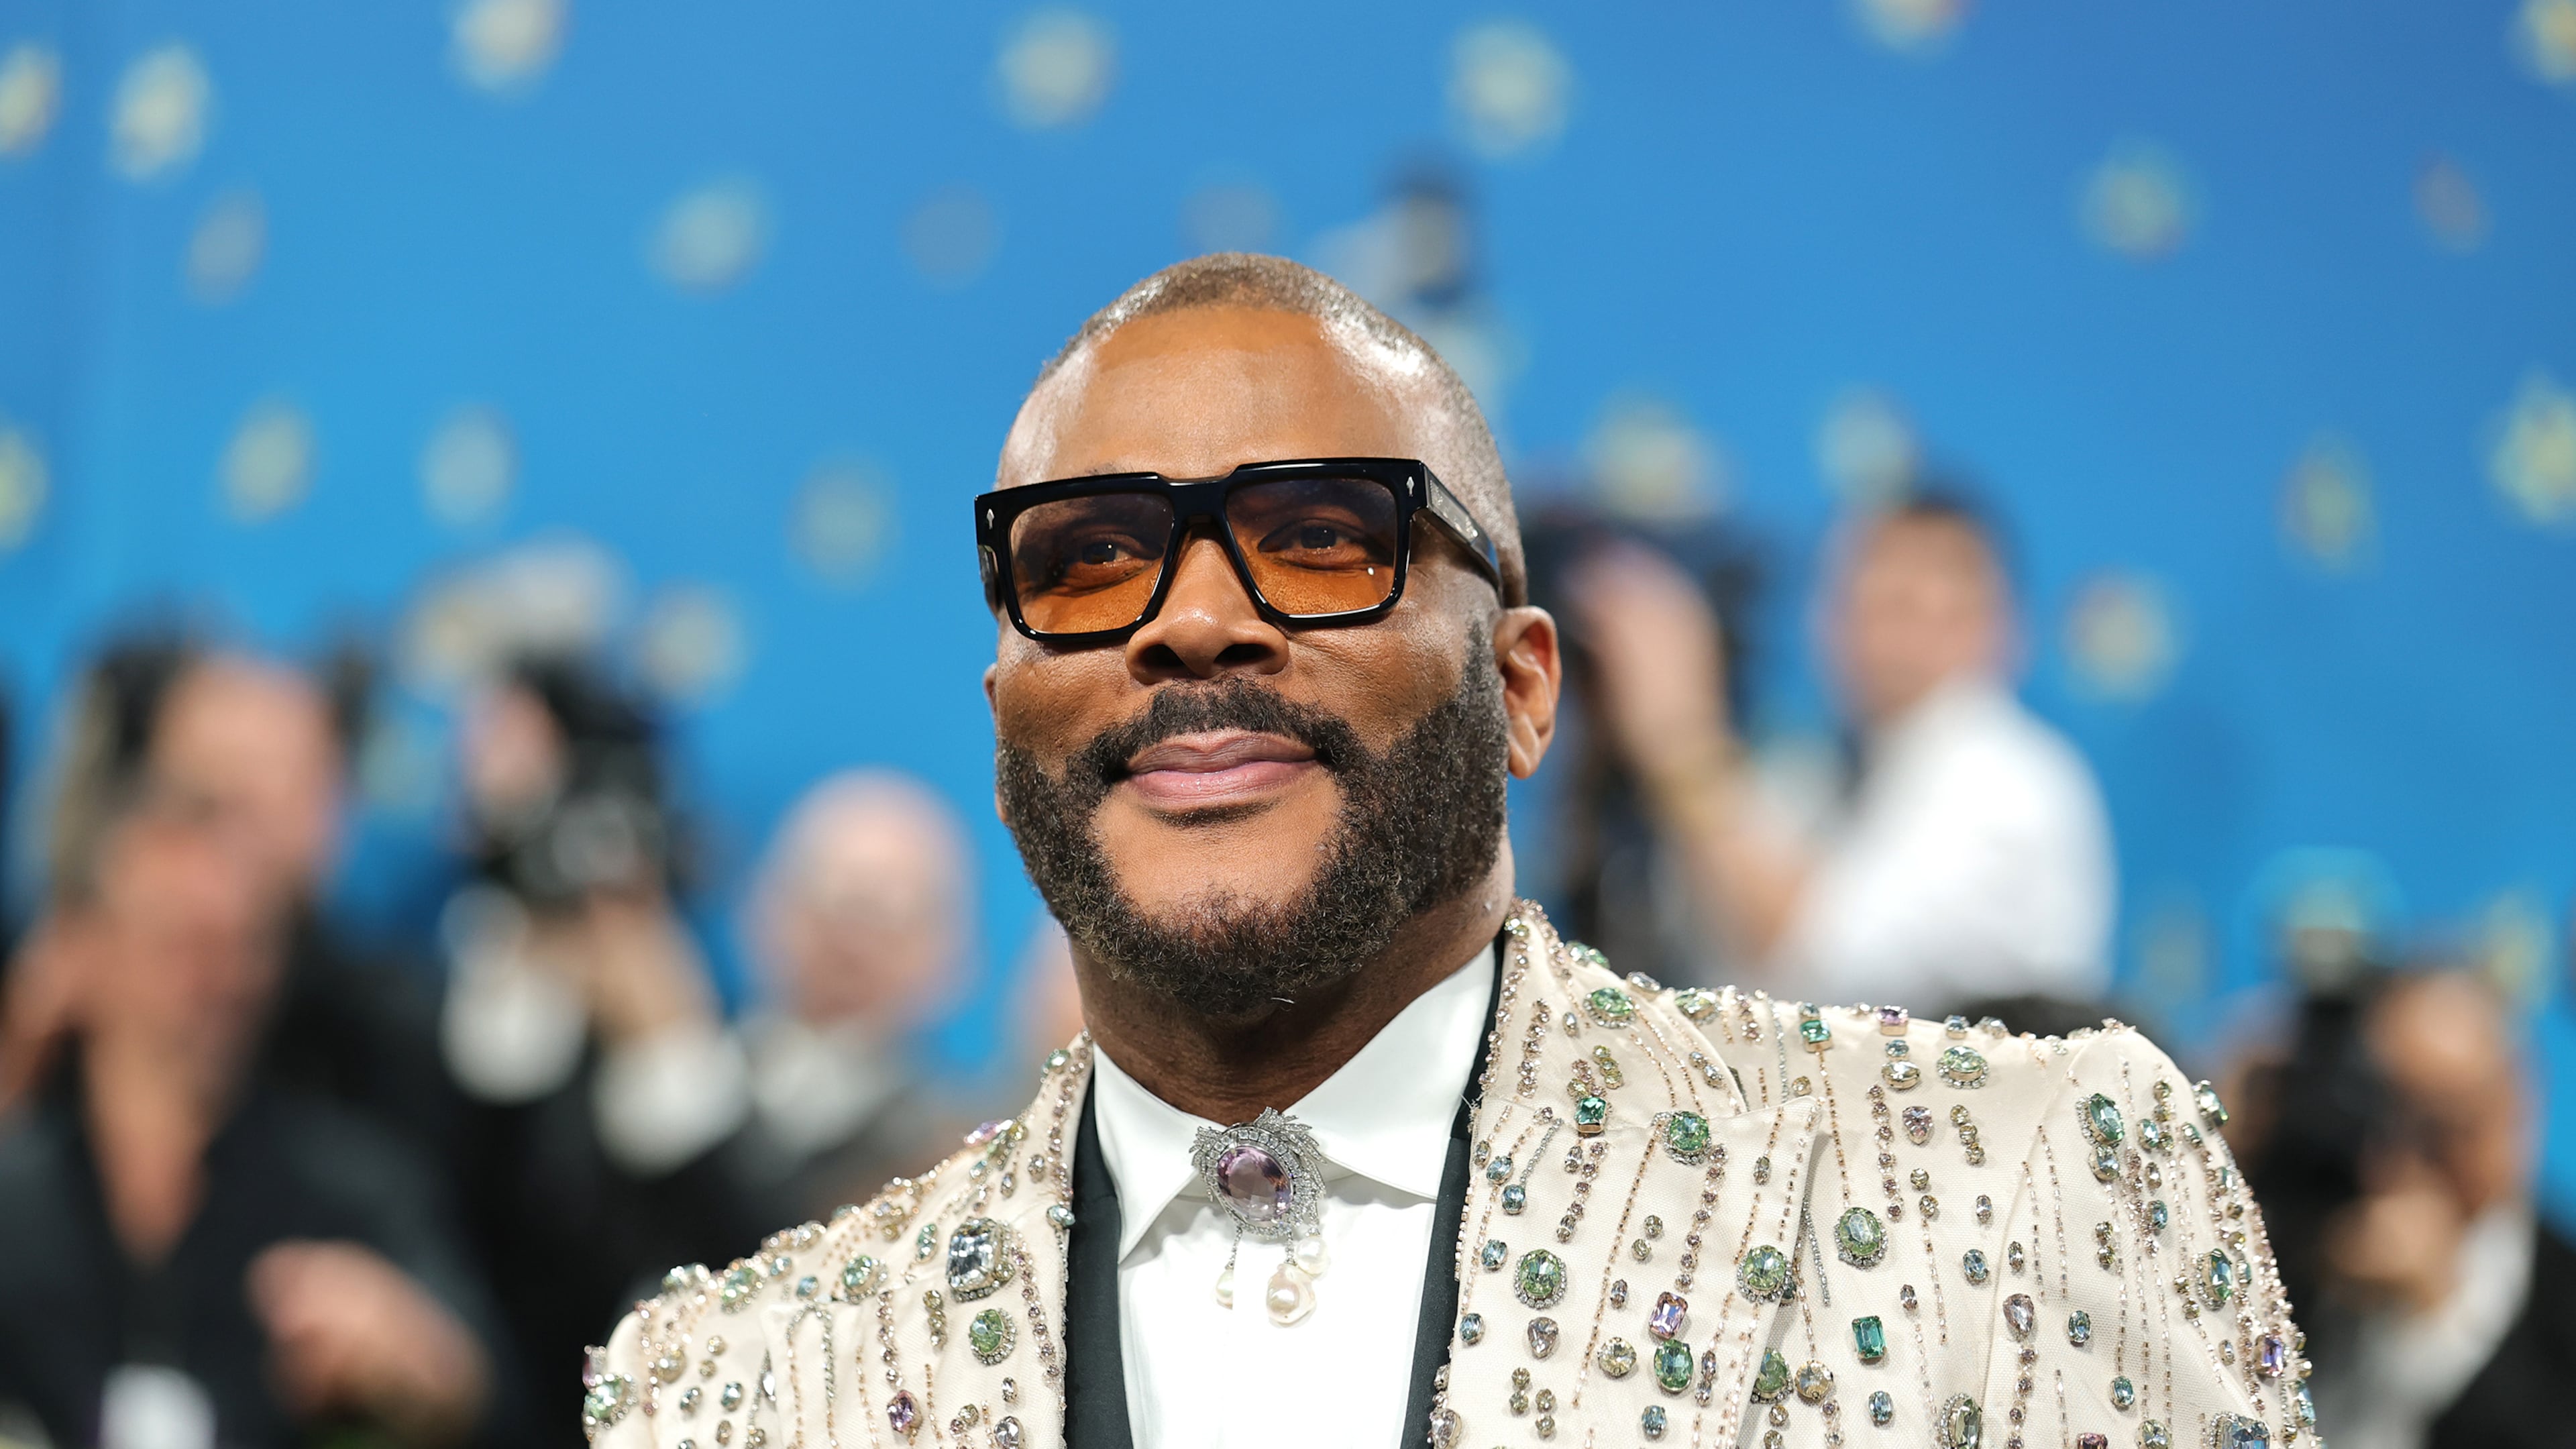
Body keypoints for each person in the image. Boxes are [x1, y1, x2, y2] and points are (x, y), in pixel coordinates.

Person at [583, 255, 2303, 1449]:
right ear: (1006, 707)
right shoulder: (729, 1387)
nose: (1189, 623)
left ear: (1521, 685)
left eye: (1317, 538)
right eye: (1090, 559)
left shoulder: (2019, 1193)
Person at [0, 784, 502, 1449]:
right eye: (183, 942)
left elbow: (487, 1386)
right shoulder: (19, 1202)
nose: (222, 980)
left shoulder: (350, 1190)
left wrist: (422, 1361)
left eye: (248, 945)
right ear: (84, 947)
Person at [1566, 492, 2115, 1014]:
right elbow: (1713, 966)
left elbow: (1824, 965)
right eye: (1866, 600)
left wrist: (1677, 728)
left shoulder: (2008, 779)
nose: (1891, 639)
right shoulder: (1821, 773)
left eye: (1919, 607)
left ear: (2004, 628)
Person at [2240, 968, 2569, 1449]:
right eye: (2383, 1114)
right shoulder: (2299, 1240)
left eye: (2444, 1127)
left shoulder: (2563, 1300)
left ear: (2513, 1111)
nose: (2403, 1159)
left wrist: (2435, 1320)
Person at [731, 769, 971, 1218]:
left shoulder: (948, 1160)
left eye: (889, 913)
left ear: (950, 953)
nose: (850, 941)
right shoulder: (667, 1078)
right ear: (761, 909)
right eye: (830, 899)